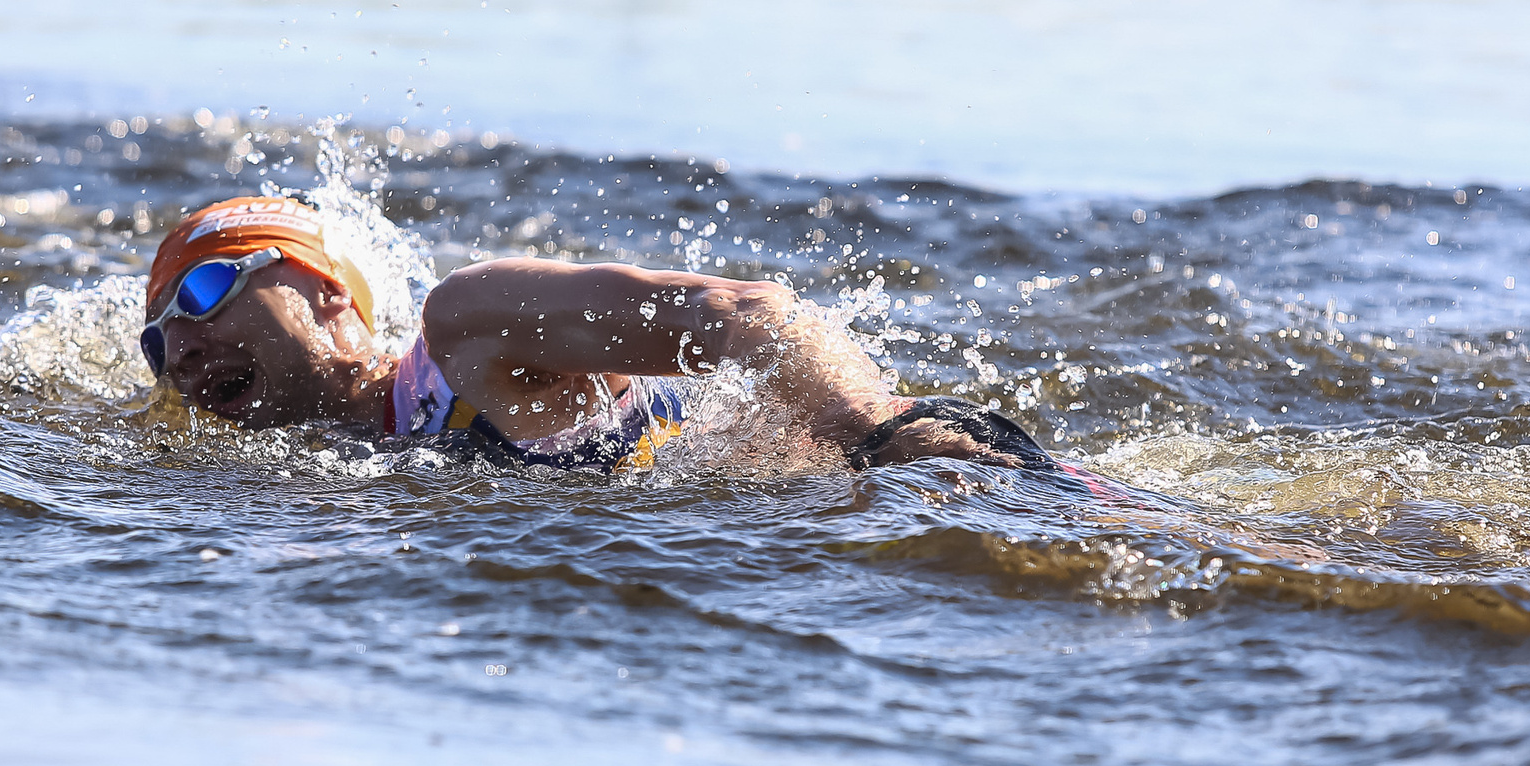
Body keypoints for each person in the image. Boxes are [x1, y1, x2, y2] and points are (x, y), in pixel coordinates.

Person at [138, 193, 1138, 490]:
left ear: (322, 292)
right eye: (156, 340)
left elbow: (745, 313)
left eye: (206, 289)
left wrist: (874, 429)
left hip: (953, 487)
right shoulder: (358, 462)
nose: (181, 345)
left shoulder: (462, 336)